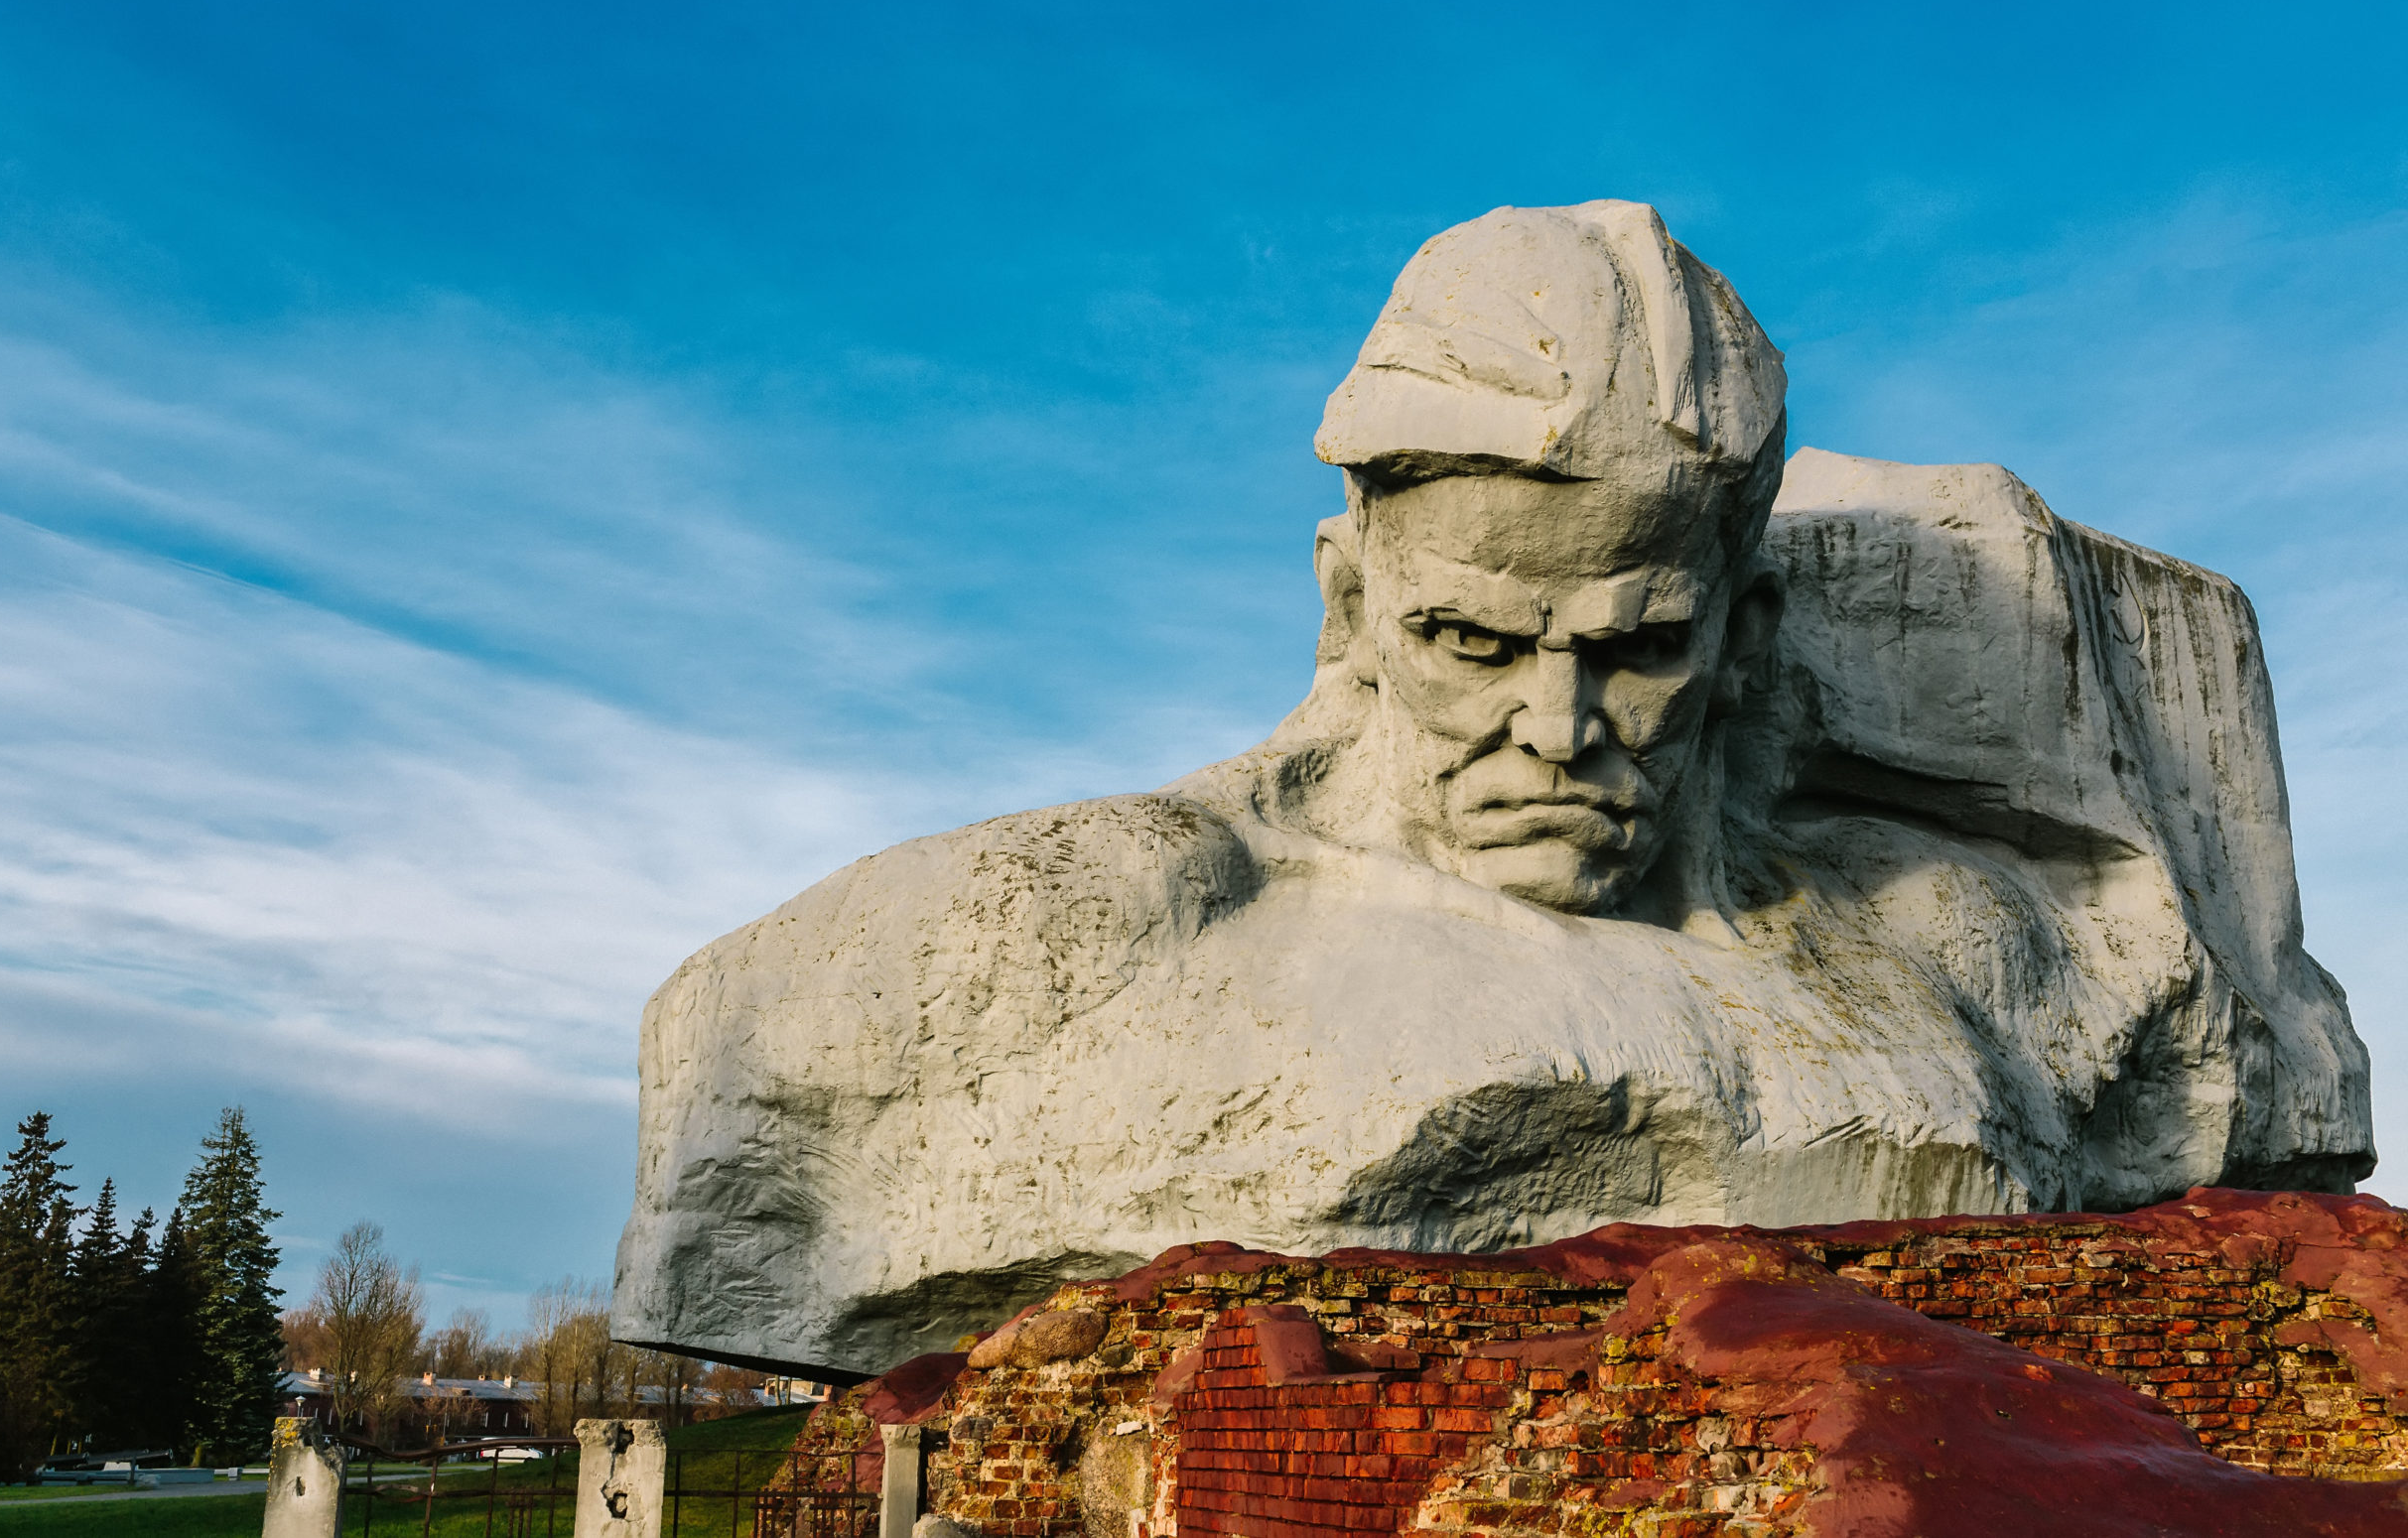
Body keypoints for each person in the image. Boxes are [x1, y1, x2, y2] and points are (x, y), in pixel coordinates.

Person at [614, 203, 2371, 1381]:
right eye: (1472, 638)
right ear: (1348, 600)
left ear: (1745, 633)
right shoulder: (1076, 923)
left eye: (1639, 649)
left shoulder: (1952, 932)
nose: (1557, 725)